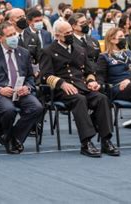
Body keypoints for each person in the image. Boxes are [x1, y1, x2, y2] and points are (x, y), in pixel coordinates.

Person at [39, 21, 119, 157]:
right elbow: (45, 76)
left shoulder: (80, 49)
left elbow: (89, 71)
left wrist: (92, 81)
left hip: (81, 87)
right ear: (58, 35)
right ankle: (86, 142)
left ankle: (106, 140)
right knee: (80, 99)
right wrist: (62, 83)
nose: (70, 35)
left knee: (102, 98)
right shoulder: (48, 51)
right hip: (62, 91)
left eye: (71, 32)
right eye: (67, 34)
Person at [0, 21, 43, 154]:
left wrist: (28, 87)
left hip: (20, 91)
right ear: (1, 38)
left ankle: (12, 137)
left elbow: (30, 76)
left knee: (37, 107)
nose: (14, 37)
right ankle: (11, 138)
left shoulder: (24, 53)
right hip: (0, 93)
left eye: (15, 34)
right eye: (10, 35)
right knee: (9, 110)